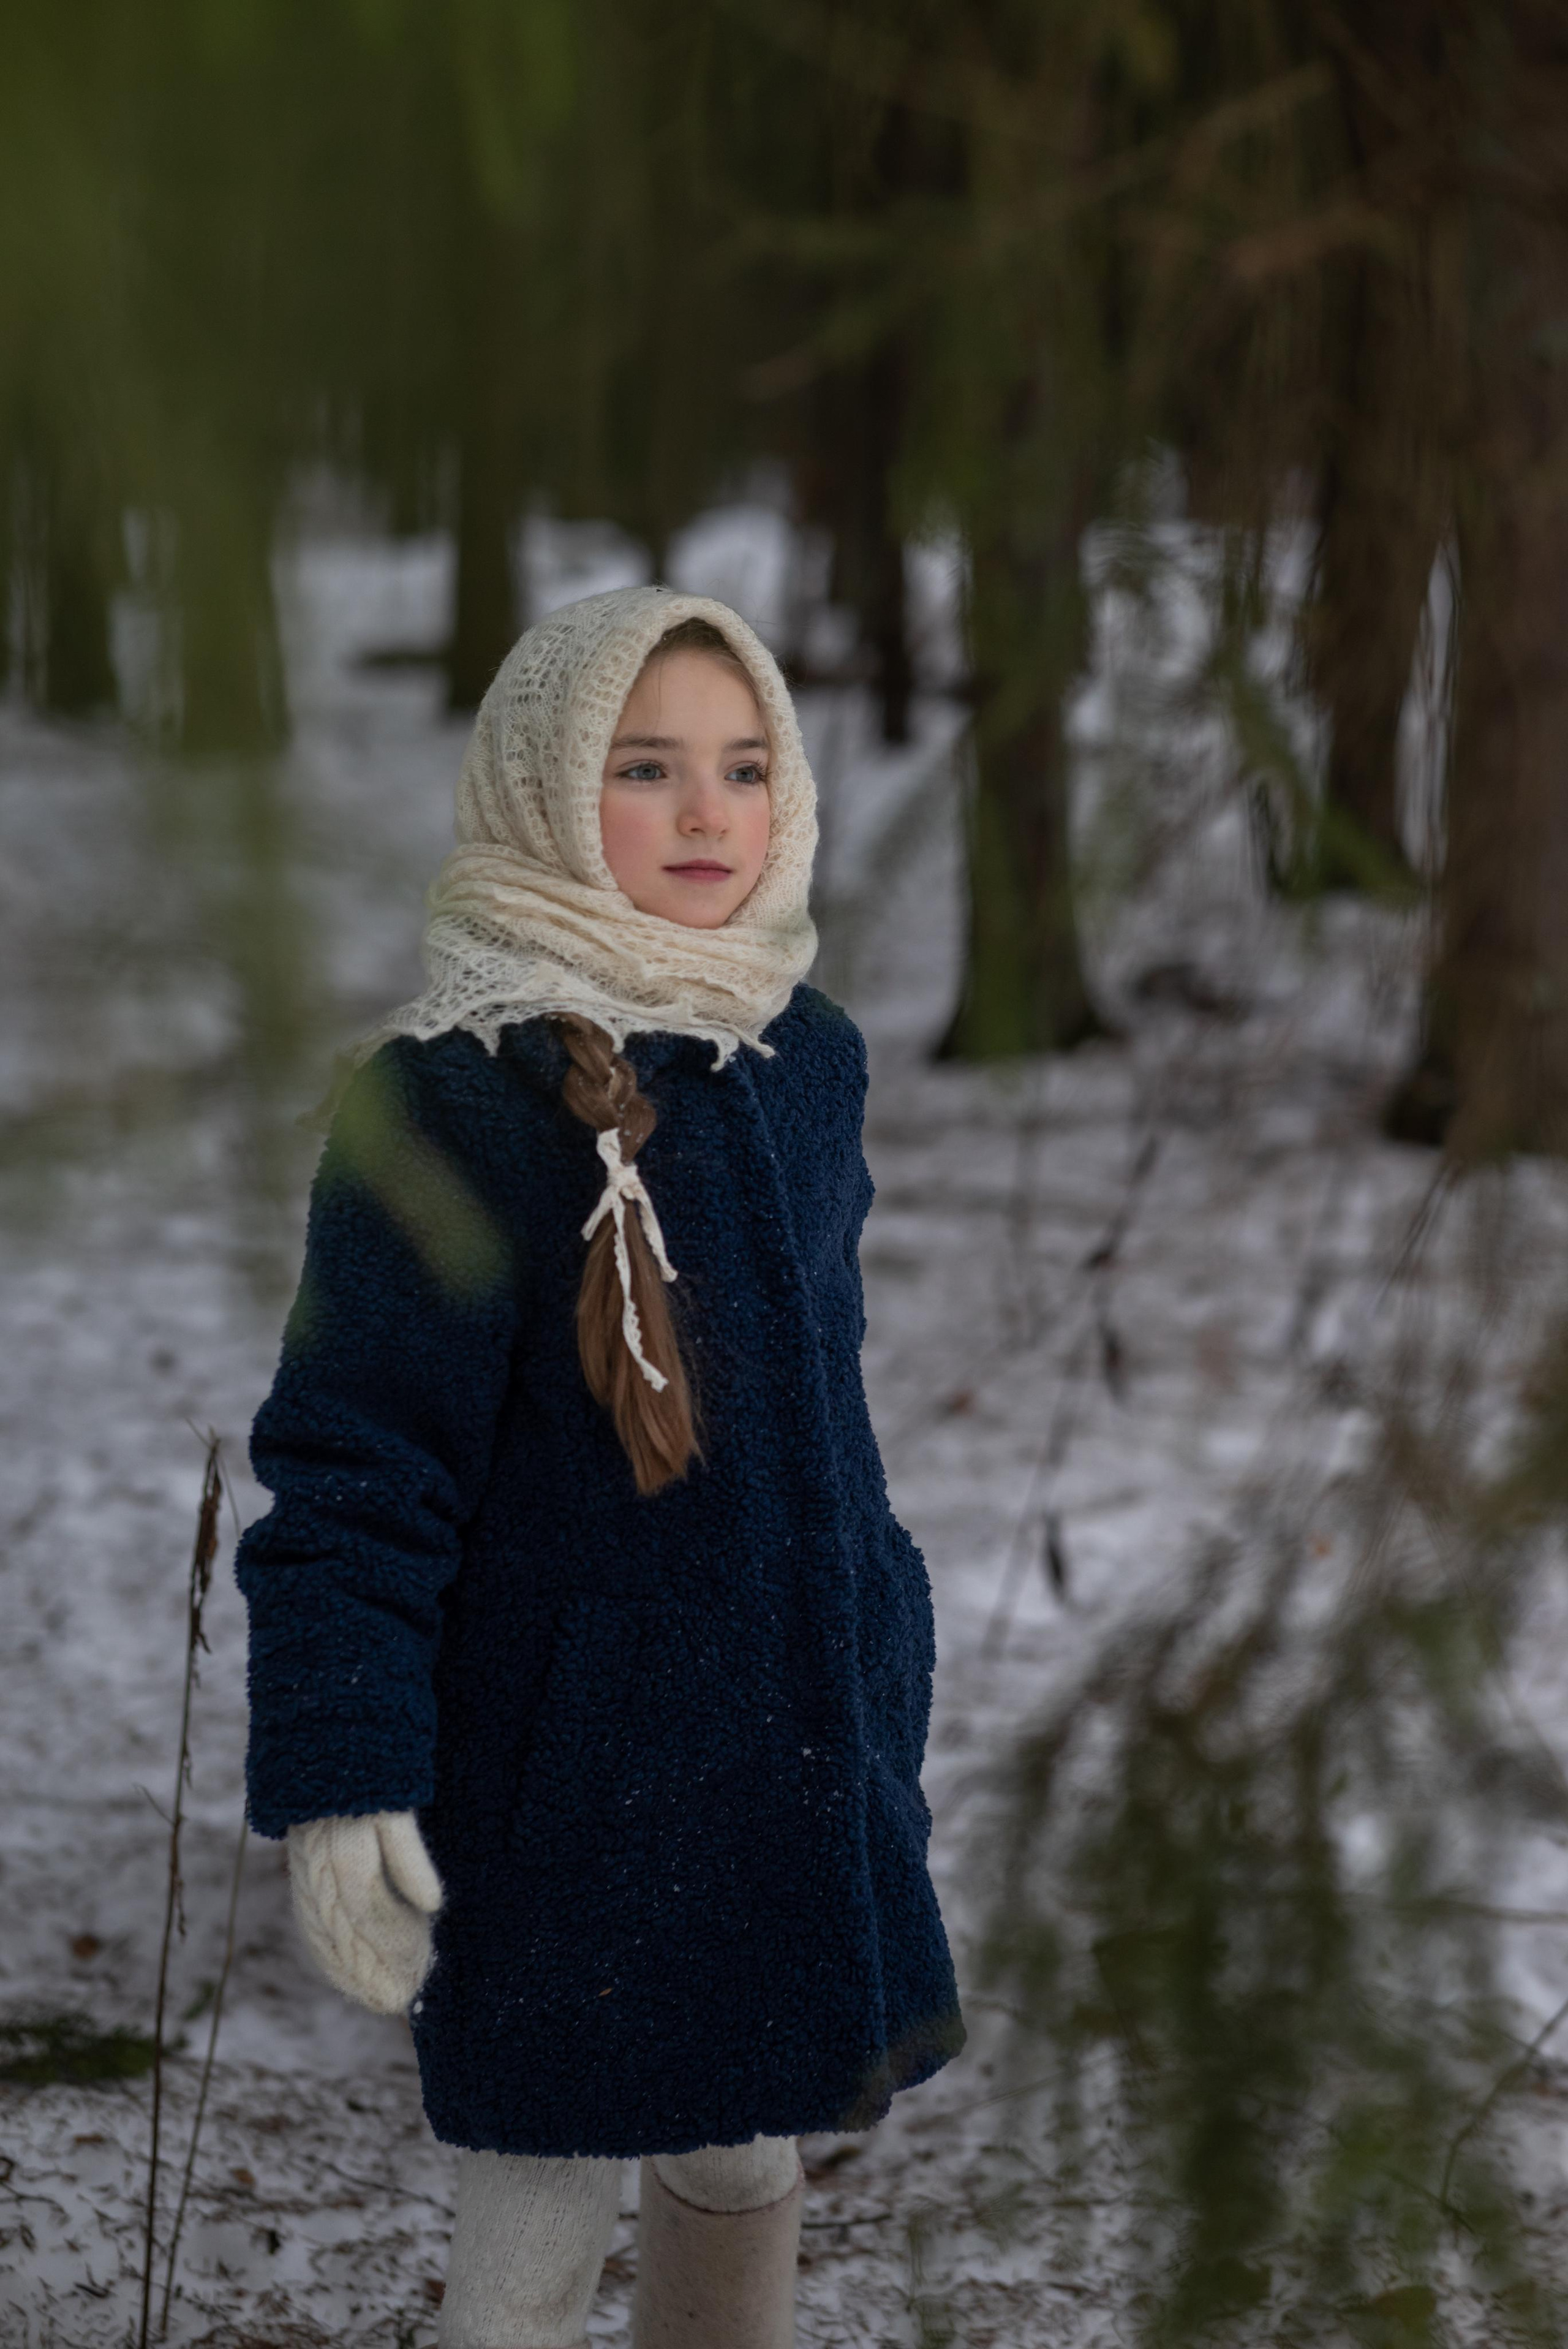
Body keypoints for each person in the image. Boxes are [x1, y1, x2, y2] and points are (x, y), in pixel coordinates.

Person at [236, 584, 963, 2348]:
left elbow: (823, 1413)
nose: (709, 812)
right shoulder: (448, 1104)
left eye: (740, 764)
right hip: (561, 1771)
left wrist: (878, 1644)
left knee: (742, 2139)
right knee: (544, 2175)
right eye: (646, 768)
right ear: (547, 789)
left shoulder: (808, 1063)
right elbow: (355, 1470)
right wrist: (343, 1779)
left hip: (789, 1739)